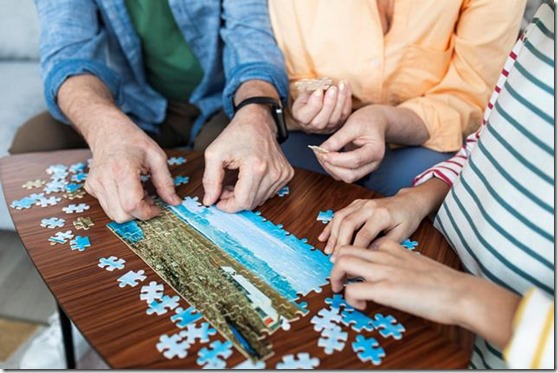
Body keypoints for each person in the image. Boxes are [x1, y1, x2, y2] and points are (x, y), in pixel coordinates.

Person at [320, 3, 554, 369]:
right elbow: (486, 142)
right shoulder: (545, 23)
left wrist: (465, 297)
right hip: (427, 276)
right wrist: (415, 199)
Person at [10, 0, 294, 223]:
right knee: (35, 143)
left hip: (222, 102)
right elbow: (66, 56)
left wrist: (256, 113)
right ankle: (82, 274)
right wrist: (105, 129)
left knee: (225, 182)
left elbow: (252, 39)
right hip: (134, 105)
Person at [269, 0, 526, 196]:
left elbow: (469, 95)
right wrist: (311, 101)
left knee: (428, 202)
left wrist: (384, 120)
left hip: (420, 140)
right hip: (310, 135)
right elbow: (296, 76)